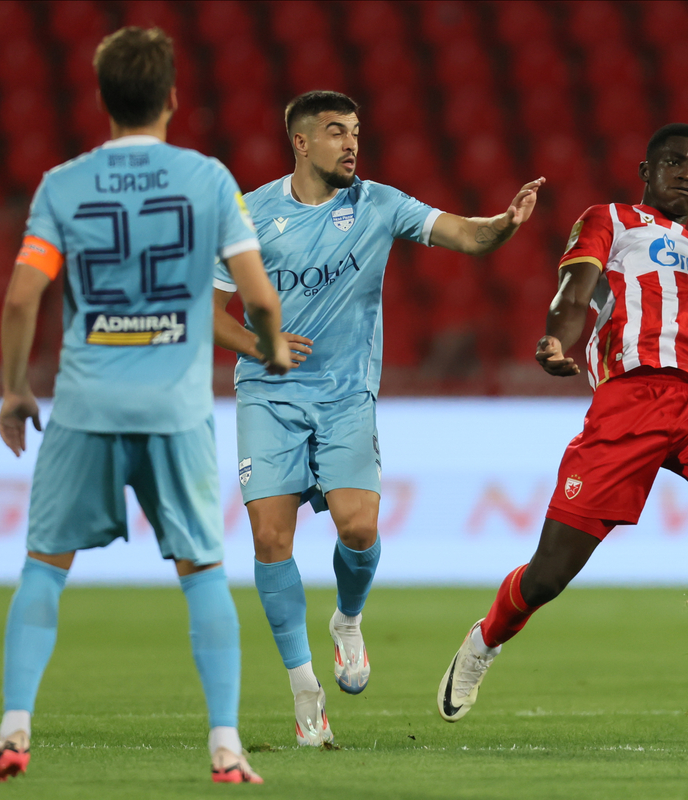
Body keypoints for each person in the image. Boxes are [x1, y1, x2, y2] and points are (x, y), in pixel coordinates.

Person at [0, 27, 292, 784]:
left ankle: (14, 730)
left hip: (85, 405)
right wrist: (271, 345)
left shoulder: (64, 184)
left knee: (44, 569)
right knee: (204, 572)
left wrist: (16, 387)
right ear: (173, 98)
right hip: (174, 413)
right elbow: (256, 297)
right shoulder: (208, 180)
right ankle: (225, 747)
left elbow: (22, 296)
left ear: (103, 99)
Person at [437, 123, 688, 722]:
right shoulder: (611, 219)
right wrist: (555, 338)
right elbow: (576, 293)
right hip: (630, 402)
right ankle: (484, 640)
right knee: (547, 576)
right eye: (674, 162)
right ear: (646, 173)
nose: (687, 173)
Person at [211, 90, 543, 746]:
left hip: (345, 397)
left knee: (358, 527)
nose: (351, 143)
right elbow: (208, 313)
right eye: (336, 132)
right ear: (301, 143)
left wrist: (503, 224)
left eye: (356, 131)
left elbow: (466, 234)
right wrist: (262, 346)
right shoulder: (249, 213)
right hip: (268, 395)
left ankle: (347, 620)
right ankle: (306, 693)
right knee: (271, 540)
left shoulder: (379, 204)